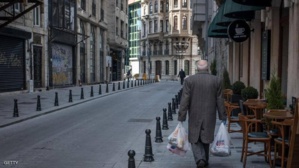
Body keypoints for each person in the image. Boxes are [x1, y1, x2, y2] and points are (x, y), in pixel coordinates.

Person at [178, 60, 227, 168]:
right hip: (210, 114)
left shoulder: (189, 80)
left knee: (194, 137)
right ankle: (205, 160)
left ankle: (200, 159)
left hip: (194, 113)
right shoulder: (216, 80)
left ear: (197, 68)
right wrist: (223, 116)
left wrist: (182, 116)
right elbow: (220, 100)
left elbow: (185, 99)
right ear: (208, 67)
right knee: (206, 137)